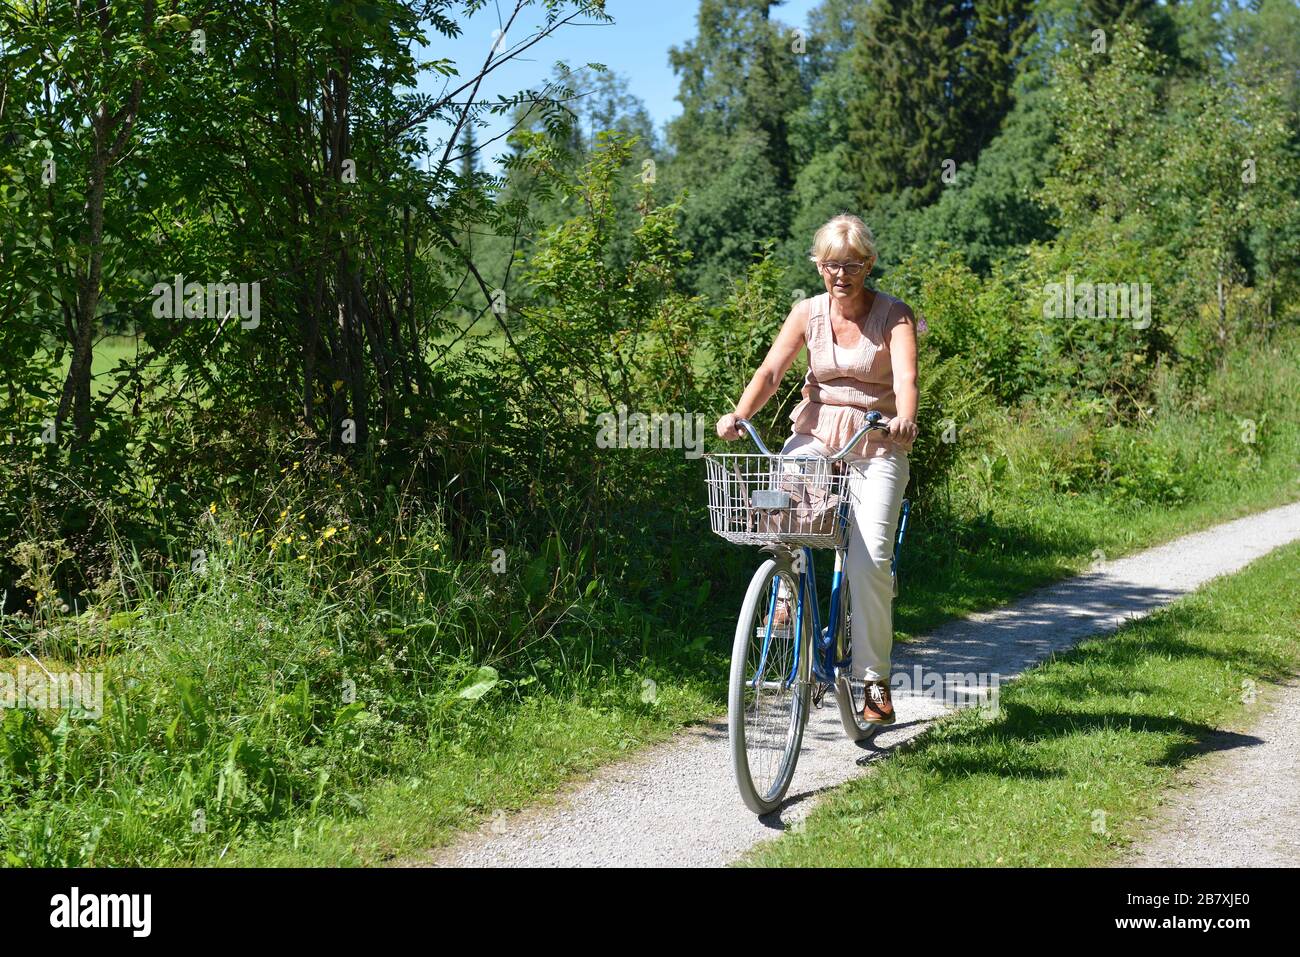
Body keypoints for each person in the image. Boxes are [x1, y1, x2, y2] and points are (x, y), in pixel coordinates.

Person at [715, 214, 919, 724]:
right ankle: (785, 588)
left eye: (851, 264)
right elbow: (771, 371)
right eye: (831, 265)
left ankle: (873, 679)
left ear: (868, 264)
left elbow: (908, 377)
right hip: (815, 434)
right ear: (818, 266)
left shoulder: (894, 315)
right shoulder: (806, 313)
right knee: (783, 504)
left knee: (870, 556)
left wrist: (906, 420)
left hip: (876, 442)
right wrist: (741, 413)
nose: (841, 275)